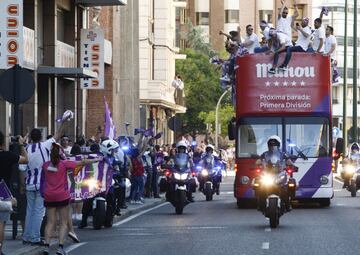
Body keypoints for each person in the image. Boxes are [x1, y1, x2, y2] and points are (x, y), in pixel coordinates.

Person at [41, 143, 101, 255]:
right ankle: (60, 247)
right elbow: (82, 162)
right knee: (64, 222)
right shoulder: (64, 164)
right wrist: (95, 160)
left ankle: (46, 246)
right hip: (62, 195)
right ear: (61, 155)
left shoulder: (45, 165)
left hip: (49, 195)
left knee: (50, 222)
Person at [22, 122, 67, 246]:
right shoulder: (45, 145)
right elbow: (58, 134)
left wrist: (22, 184)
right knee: (38, 212)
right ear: (41, 137)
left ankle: (26, 236)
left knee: (29, 211)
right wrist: (65, 120)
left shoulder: (26, 149)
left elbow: (22, 169)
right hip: (42, 184)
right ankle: (35, 238)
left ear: (31, 138)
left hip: (29, 183)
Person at [0, 132, 28, 254]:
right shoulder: (8, 155)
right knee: (1, 223)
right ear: (2, 142)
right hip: (3, 190)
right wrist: (22, 145)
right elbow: (26, 160)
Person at [256, 136, 293, 212]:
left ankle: (287, 204)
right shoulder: (265, 154)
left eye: (274, 145)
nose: (273, 147)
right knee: (260, 187)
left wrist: (291, 165)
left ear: (278, 145)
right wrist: (257, 164)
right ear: (268, 146)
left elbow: (289, 161)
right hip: (268, 174)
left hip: (279, 173)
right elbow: (258, 161)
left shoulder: (282, 154)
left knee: (286, 188)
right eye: (271, 145)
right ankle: (260, 205)